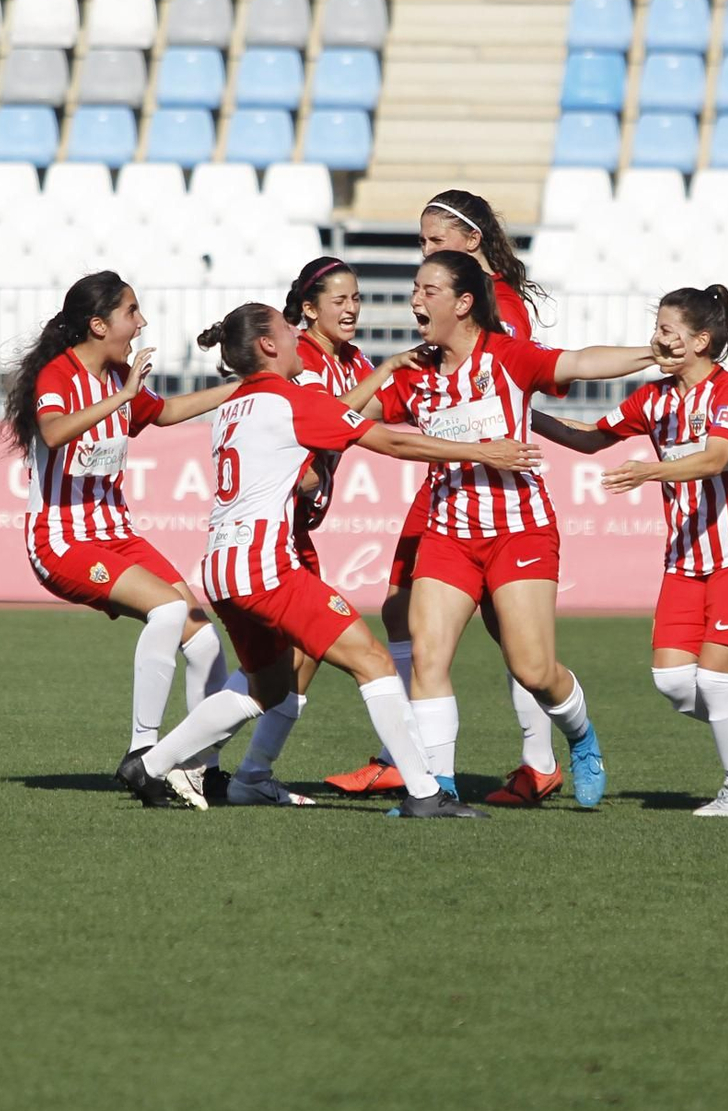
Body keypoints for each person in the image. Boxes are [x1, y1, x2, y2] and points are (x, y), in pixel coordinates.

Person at [124, 302, 547, 819]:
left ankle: (151, 764)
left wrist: (385, 372)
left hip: (221, 563)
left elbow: (291, 467)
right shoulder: (291, 399)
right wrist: (485, 452)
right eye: (289, 331)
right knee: (371, 659)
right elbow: (389, 440)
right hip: (264, 566)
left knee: (268, 686)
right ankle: (425, 793)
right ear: (268, 346)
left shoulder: (235, 405)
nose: (300, 337)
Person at [344, 250, 661, 809]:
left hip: (520, 531)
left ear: (464, 304)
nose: (415, 299)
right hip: (447, 532)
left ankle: (582, 739)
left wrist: (651, 353)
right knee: (429, 657)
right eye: (415, 289)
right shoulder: (414, 371)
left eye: (428, 290)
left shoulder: (508, 356)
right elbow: (340, 420)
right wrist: (384, 370)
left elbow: (581, 362)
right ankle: (436, 789)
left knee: (533, 669)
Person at [326, 191, 564, 806]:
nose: (425, 255)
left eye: (435, 242)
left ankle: (532, 760)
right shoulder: (456, 312)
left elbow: (504, 381)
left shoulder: (495, 307)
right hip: (450, 478)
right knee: (408, 613)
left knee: (504, 635)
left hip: (480, 484)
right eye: (423, 243)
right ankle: (419, 759)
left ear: (472, 243)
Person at [532, 285, 728, 817]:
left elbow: (716, 459)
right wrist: (525, 415)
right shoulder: (655, 397)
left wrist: (650, 471)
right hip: (688, 557)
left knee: (715, 681)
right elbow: (593, 437)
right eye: (658, 328)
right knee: (673, 683)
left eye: (668, 330)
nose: (657, 339)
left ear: (700, 340)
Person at [1, 271, 237, 803]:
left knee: (203, 640)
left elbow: (168, 412)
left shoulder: (116, 374)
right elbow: (56, 432)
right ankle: (143, 756)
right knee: (169, 612)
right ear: (98, 324)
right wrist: (123, 395)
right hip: (61, 540)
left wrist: (246, 386)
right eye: (132, 312)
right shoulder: (60, 376)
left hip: (116, 533)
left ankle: (200, 768)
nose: (142, 321)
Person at [205, 257, 414, 806]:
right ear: (308, 309)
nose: (351, 308)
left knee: (296, 663)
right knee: (300, 661)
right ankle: (199, 763)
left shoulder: (353, 360)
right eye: (338, 300)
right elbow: (336, 417)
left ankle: (245, 774)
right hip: (276, 531)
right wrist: (389, 370)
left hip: (295, 528)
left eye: (356, 298)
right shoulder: (305, 363)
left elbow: (383, 410)